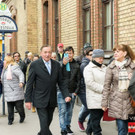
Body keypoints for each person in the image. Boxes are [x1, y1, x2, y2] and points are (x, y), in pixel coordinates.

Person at [25, 45, 71, 135]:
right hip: (40, 99)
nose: (47, 54)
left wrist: (66, 95)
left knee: (46, 123)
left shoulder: (56, 64)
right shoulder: (35, 65)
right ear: (41, 53)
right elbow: (29, 83)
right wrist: (28, 100)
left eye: (49, 52)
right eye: (45, 52)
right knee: (44, 124)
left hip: (52, 99)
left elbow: (61, 82)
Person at [102, 44, 135, 135]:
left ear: (125, 53)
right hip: (117, 102)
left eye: (118, 51)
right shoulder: (111, 67)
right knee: (121, 130)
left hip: (131, 103)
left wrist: (132, 79)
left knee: (132, 130)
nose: (115, 53)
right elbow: (106, 86)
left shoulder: (133, 67)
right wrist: (104, 103)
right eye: (114, 51)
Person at [57, 46, 80, 135]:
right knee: (62, 111)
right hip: (61, 91)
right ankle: (63, 129)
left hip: (72, 91)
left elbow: (79, 80)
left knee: (69, 111)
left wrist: (76, 92)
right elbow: (58, 77)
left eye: (70, 53)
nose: (69, 55)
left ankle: (67, 126)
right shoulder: (59, 64)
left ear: (73, 54)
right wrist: (63, 64)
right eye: (66, 53)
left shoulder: (76, 65)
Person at [84, 49, 106, 135]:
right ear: (93, 58)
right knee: (96, 119)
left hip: (103, 98)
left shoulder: (104, 67)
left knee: (95, 117)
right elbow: (90, 83)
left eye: (102, 58)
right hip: (94, 98)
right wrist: (103, 89)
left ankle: (89, 130)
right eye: (99, 58)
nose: (101, 60)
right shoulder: (88, 68)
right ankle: (97, 133)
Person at [1, 56, 25, 125]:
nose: (3, 62)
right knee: (10, 108)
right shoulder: (5, 69)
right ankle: (10, 120)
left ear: (8, 61)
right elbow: (3, 78)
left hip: (16, 90)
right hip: (8, 91)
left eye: (5, 60)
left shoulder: (14, 68)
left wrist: (21, 82)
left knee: (19, 107)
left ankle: (22, 116)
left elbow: (21, 75)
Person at [77, 47, 93, 131]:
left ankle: (90, 128)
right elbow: (85, 79)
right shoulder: (84, 65)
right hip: (83, 90)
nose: (92, 56)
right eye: (91, 55)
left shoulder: (92, 63)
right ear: (86, 55)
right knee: (88, 107)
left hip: (90, 89)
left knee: (92, 108)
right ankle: (81, 120)